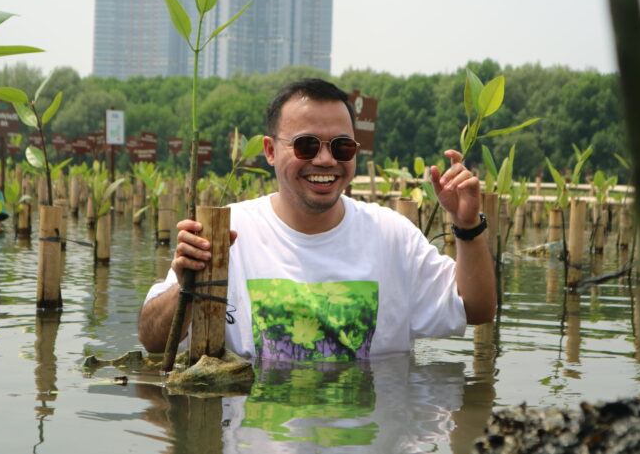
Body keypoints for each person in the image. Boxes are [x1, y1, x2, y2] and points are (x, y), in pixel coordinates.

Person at [139, 78, 496, 360]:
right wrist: (187, 285)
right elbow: (152, 341)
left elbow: (476, 309)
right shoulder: (229, 232)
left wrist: (467, 225)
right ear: (269, 151)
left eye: (342, 146)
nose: (325, 160)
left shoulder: (391, 234)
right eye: (306, 145)